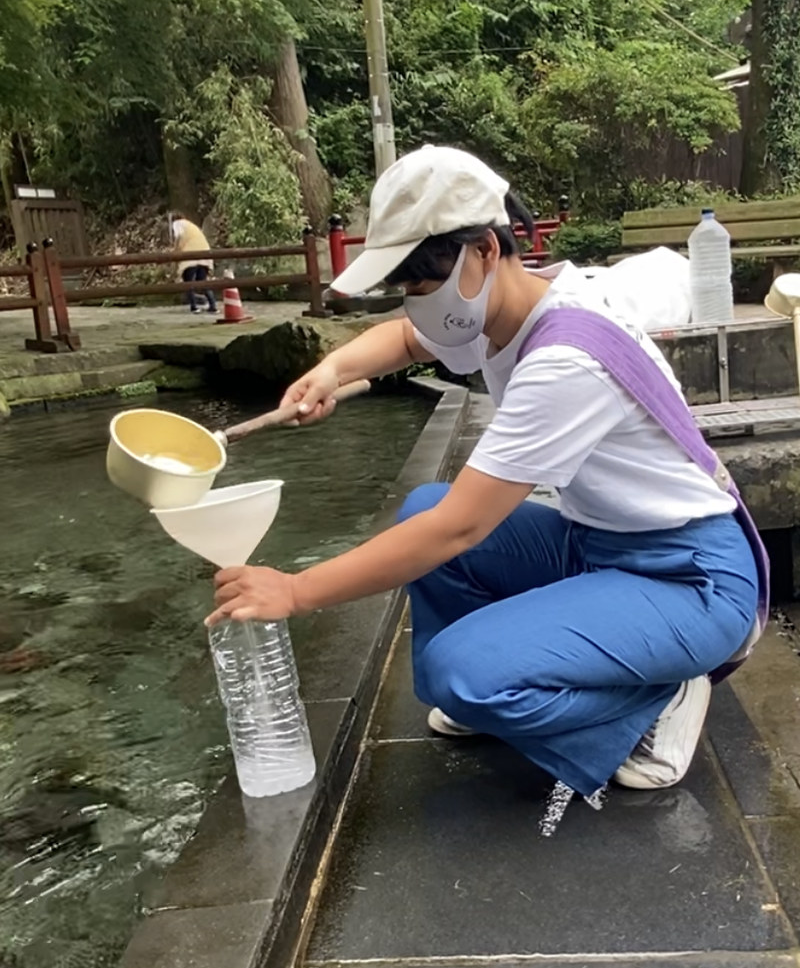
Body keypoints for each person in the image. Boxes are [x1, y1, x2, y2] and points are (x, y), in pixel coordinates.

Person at [207, 145, 766, 804]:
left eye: (423, 286)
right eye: (408, 290)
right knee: (420, 505)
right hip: (597, 544)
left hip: (691, 578)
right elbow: (408, 341)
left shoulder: (563, 359)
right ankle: (546, 672)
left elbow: (461, 528)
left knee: (459, 667)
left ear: (484, 250)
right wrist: (333, 371)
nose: (416, 306)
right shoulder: (506, 306)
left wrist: (296, 592)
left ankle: (651, 702)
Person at [171, 216, 217, 314]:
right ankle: (213, 306)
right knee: (203, 282)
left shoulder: (177, 224)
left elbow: (178, 238)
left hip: (190, 256)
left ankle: (194, 307)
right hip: (204, 253)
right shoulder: (192, 226)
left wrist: (175, 253)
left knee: (188, 283)